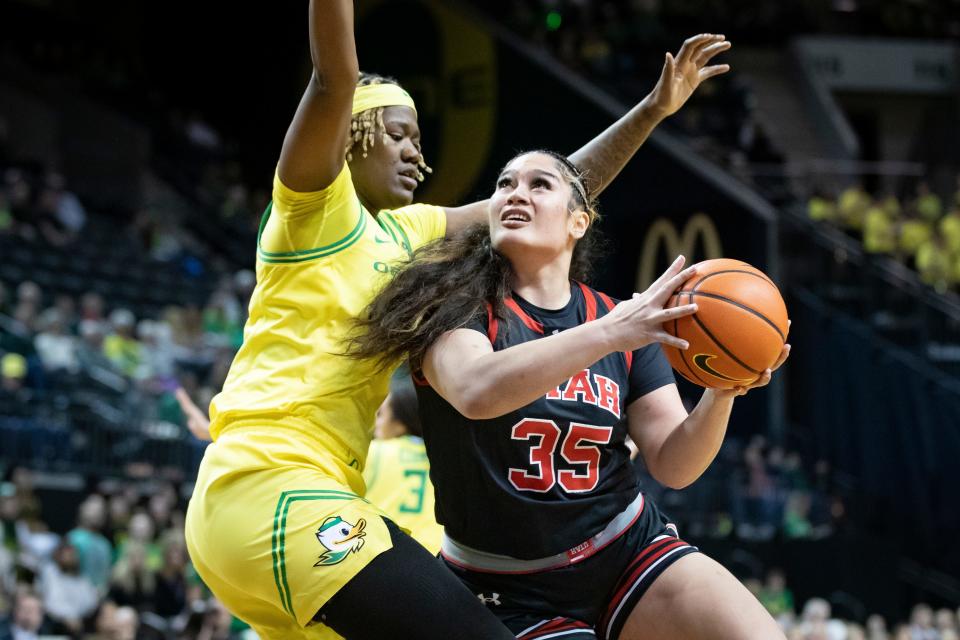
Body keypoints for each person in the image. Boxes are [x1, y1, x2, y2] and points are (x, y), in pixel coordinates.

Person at [183, 1, 731, 637]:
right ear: (348, 138)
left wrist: (654, 111)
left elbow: (556, 190)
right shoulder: (312, 212)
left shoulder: (409, 232)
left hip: (308, 499)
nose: (417, 154)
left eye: (418, 138)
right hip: (269, 488)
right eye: (396, 134)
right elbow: (334, 76)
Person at [352, 150, 790, 639]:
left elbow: (675, 464)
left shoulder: (619, 321)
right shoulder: (451, 307)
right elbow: (477, 390)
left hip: (625, 547)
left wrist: (721, 392)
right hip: (503, 584)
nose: (516, 193)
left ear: (578, 221)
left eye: (540, 185)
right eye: (504, 183)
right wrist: (611, 332)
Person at [363, 376, 443, 553]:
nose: (376, 423)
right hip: (438, 557)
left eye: (381, 414)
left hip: (388, 552)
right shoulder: (443, 456)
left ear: (400, 423)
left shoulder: (374, 452)